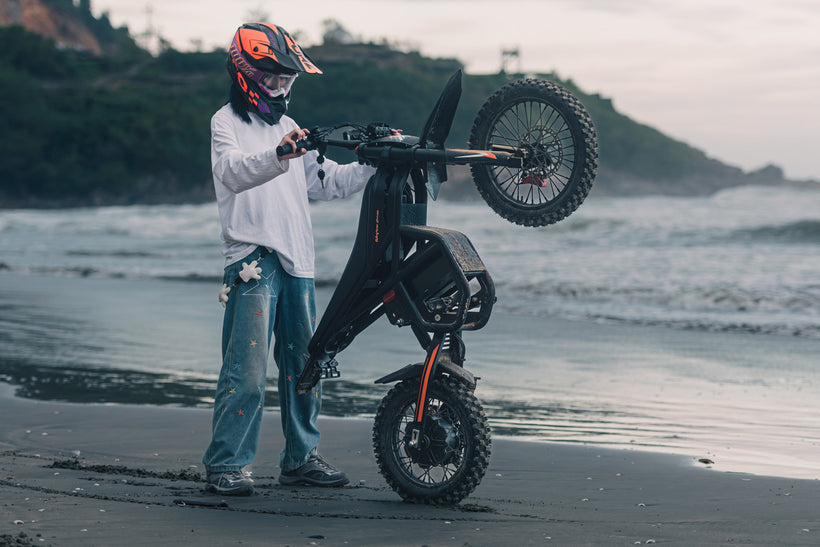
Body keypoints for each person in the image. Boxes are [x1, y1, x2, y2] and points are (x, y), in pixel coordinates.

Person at [202, 22, 374, 496]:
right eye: (273, 77)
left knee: (305, 367)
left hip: (298, 260)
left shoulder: (288, 127)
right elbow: (231, 172)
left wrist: (375, 162)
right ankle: (226, 464)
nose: (280, 87)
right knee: (246, 371)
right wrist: (278, 155)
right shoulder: (225, 123)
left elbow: (327, 181)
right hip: (251, 259)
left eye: (287, 78)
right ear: (245, 73)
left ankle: (301, 459)